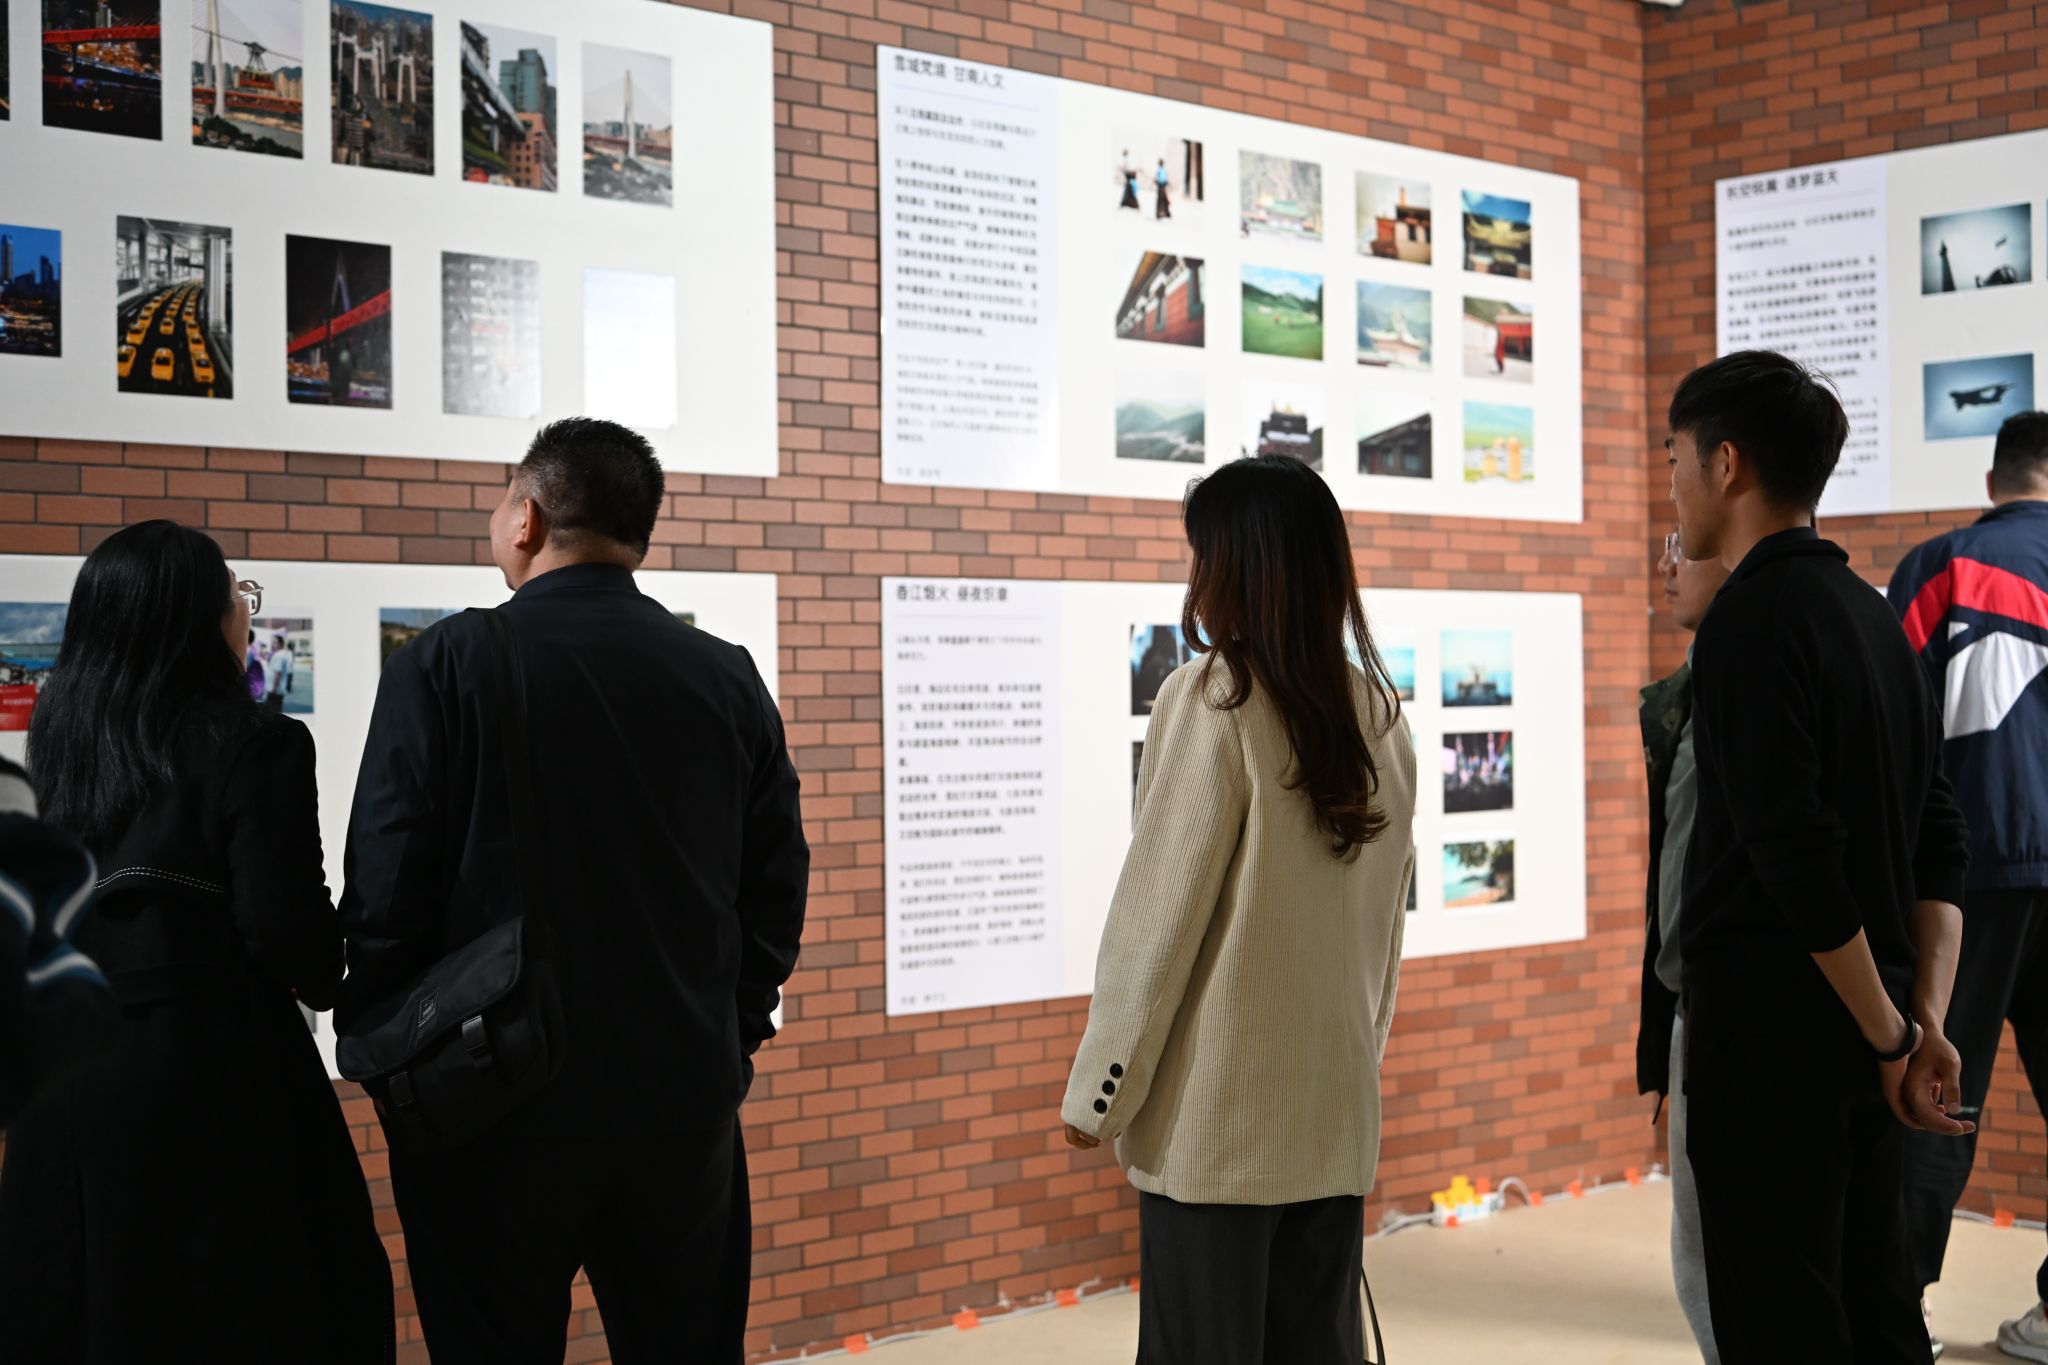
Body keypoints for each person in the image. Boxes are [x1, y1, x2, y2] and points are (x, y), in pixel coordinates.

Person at [337, 417, 809, 1365]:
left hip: (489, 1104)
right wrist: (728, 1026)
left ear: (528, 517)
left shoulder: (447, 663)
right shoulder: (724, 674)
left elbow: (385, 884)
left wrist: (391, 1049)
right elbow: (776, 885)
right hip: (679, 1101)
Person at [0, 520, 393, 1363]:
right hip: (211, 1080)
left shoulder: (60, 745)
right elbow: (291, 936)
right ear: (198, 621)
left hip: (63, 1086)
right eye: (237, 595)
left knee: (92, 1316)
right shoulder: (257, 741)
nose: (245, 611)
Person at [1059, 455, 1416, 1365]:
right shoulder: (1379, 712)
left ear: (1238, 567)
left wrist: (1101, 1088)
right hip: (1332, 1117)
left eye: (1202, 555)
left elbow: (1157, 921)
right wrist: (1355, 1068)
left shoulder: (1215, 696)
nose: (1195, 577)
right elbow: (1384, 935)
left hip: (1216, 1130)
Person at [1667, 350, 1973, 1365]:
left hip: (1774, 1045)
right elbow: (1940, 836)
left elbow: (1793, 859)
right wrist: (1919, 1022)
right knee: (1877, 1313)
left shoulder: (1747, 621)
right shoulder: (1873, 616)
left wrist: (1894, 1037)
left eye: (1673, 458)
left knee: (1784, 1326)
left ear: (1725, 465)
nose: (1671, 486)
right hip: (1867, 1035)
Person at [1889, 409, 2048, 1363]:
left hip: (1969, 873)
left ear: (1993, 481)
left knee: (1934, 1088)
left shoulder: (1939, 566)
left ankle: (1896, 1313)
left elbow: (1892, 731)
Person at [1637, 528, 1731, 1364]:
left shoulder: (1741, 683)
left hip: (1732, 1015)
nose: (1666, 564)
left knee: (1718, 1257)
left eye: (1684, 543)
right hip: (1698, 1006)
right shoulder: (1699, 683)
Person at [264, 632, 295, 713]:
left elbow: (278, 673)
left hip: (275, 690)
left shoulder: (279, 655)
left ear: (280, 644)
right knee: (275, 711)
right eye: (272, 642)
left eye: (275, 642)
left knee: (271, 712)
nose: (272, 644)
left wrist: (274, 688)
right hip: (277, 690)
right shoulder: (279, 654)